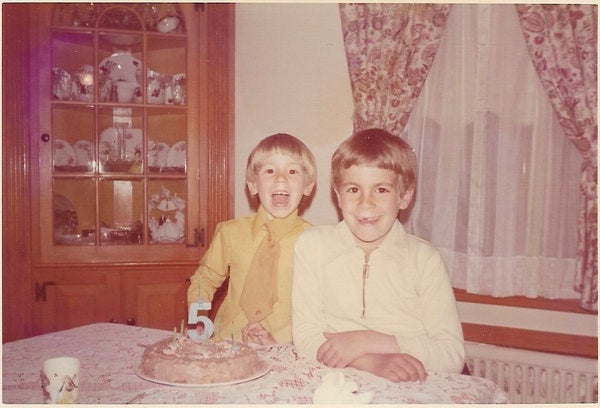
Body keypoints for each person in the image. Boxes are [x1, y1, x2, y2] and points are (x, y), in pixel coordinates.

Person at [291, 128, 464, 382]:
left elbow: (452, 356)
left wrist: (369, 340)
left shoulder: (424, 259)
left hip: (411, 389)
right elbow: (306, 337)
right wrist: (369, 360)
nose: (365, 203)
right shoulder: (312, 246)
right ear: (338, 196)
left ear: (404, 197)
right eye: (353, 189)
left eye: (381, 190)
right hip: (337, 382)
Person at [187, 133, 316, 345]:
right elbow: (205, 278)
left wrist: (287, 340)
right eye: (270, 171)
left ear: (308, 186)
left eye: (292, 171)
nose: (281, 178)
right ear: (253, 185)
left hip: (282, 345)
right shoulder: (229, 233)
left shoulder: (314, 241)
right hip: (228, 340)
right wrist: (198, 318)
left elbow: (316, 303)